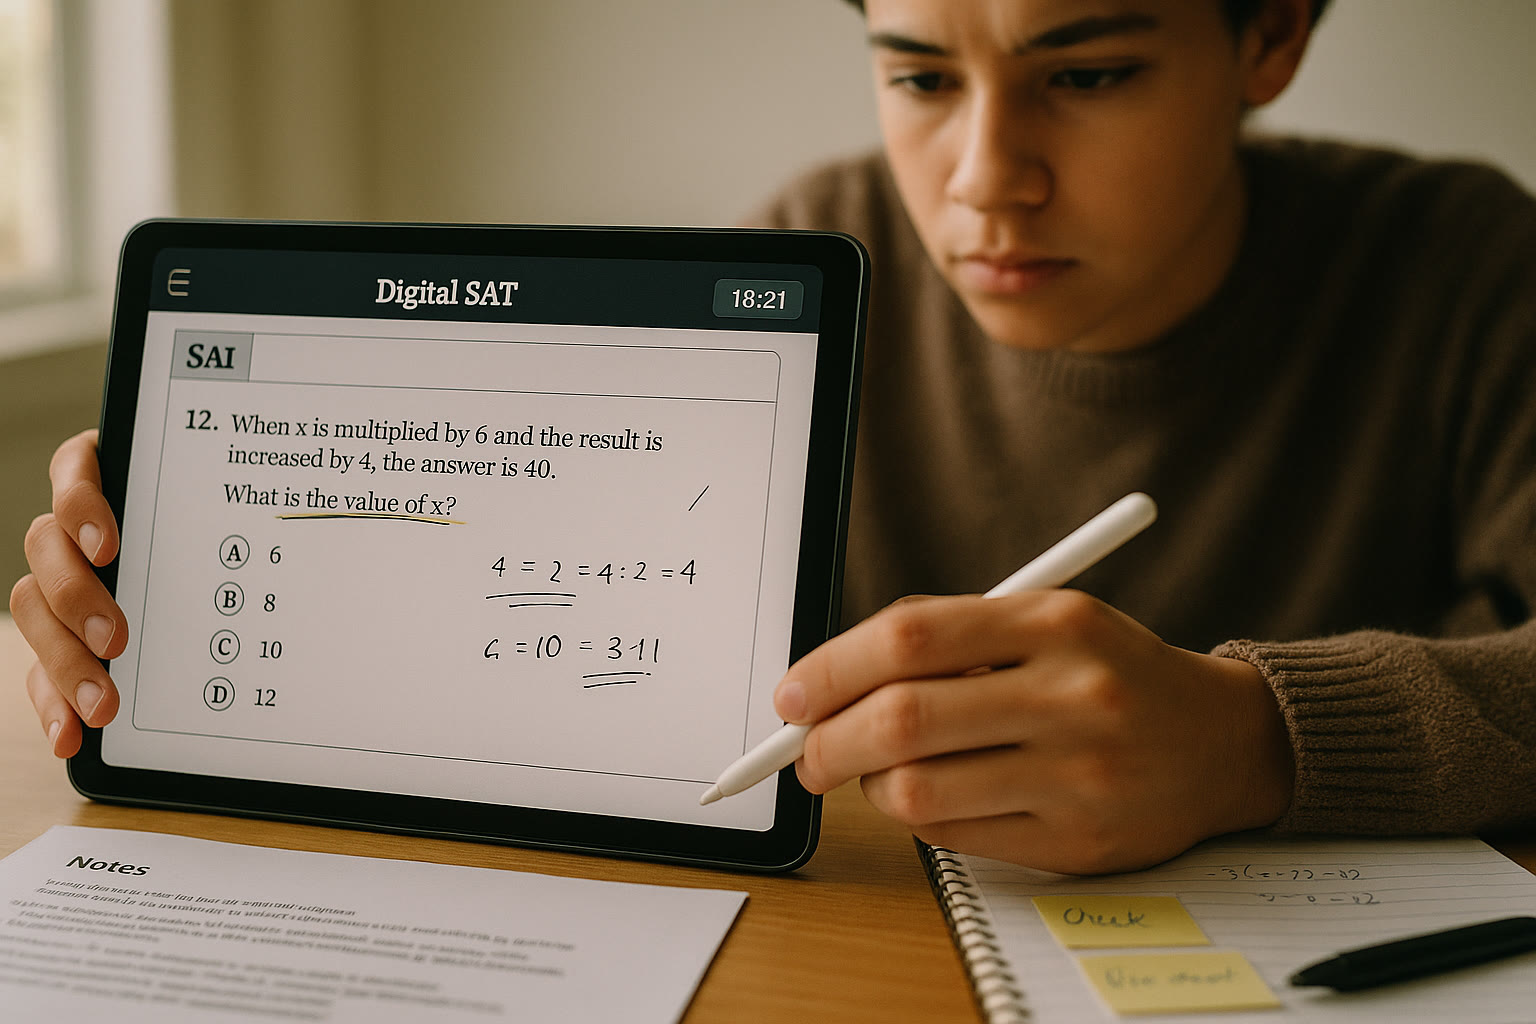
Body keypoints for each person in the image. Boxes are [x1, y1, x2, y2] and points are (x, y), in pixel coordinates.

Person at [12, 0, 1536, 874]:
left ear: (1269, 39)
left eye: (1089, 75)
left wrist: (1256, 738)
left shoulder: (1464, 265)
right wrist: (208, 552)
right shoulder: (809, 253)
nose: (986, 181)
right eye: (922, 77)